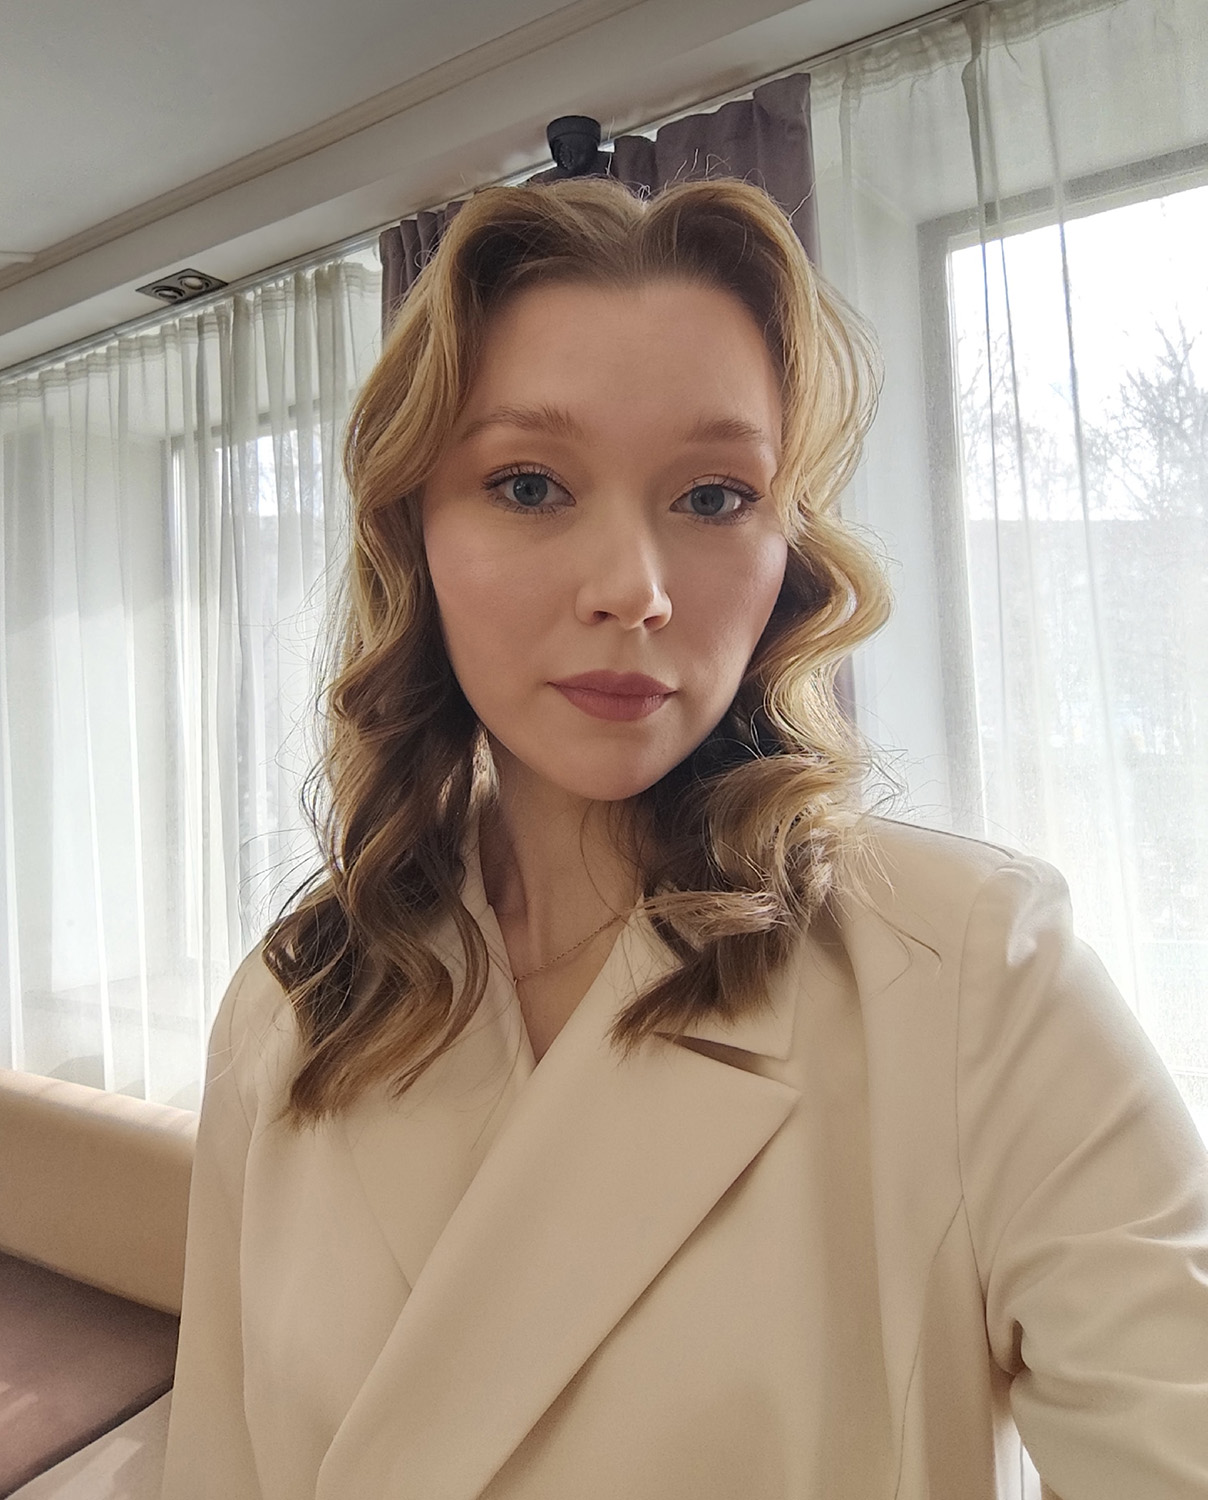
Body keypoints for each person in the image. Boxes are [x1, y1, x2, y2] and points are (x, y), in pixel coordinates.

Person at [160, 176, 1208, 1500]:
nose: (633, 590)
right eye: (530, 484)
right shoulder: (293, 1003)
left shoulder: (974, 982)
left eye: (713, 497)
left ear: (788, 551)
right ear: (415, 530)